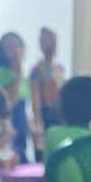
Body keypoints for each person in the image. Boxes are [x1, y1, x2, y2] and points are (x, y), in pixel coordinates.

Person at [0, 32, 30, 161]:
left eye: (17, 46)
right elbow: (10, 102)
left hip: (21, 123)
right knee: (9, 156)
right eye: (9, 47)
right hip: (7, 122)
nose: (14, 51)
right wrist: (17, 72)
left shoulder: (25, 77)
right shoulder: (1, 73)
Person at [29, 26, 66, 154]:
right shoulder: (37, 69)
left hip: (59, 114)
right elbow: (35, 97)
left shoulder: (60, 69)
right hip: (45, 113)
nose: (51, 45)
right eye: (46, 41)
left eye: (53, 41)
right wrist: (38, 121)